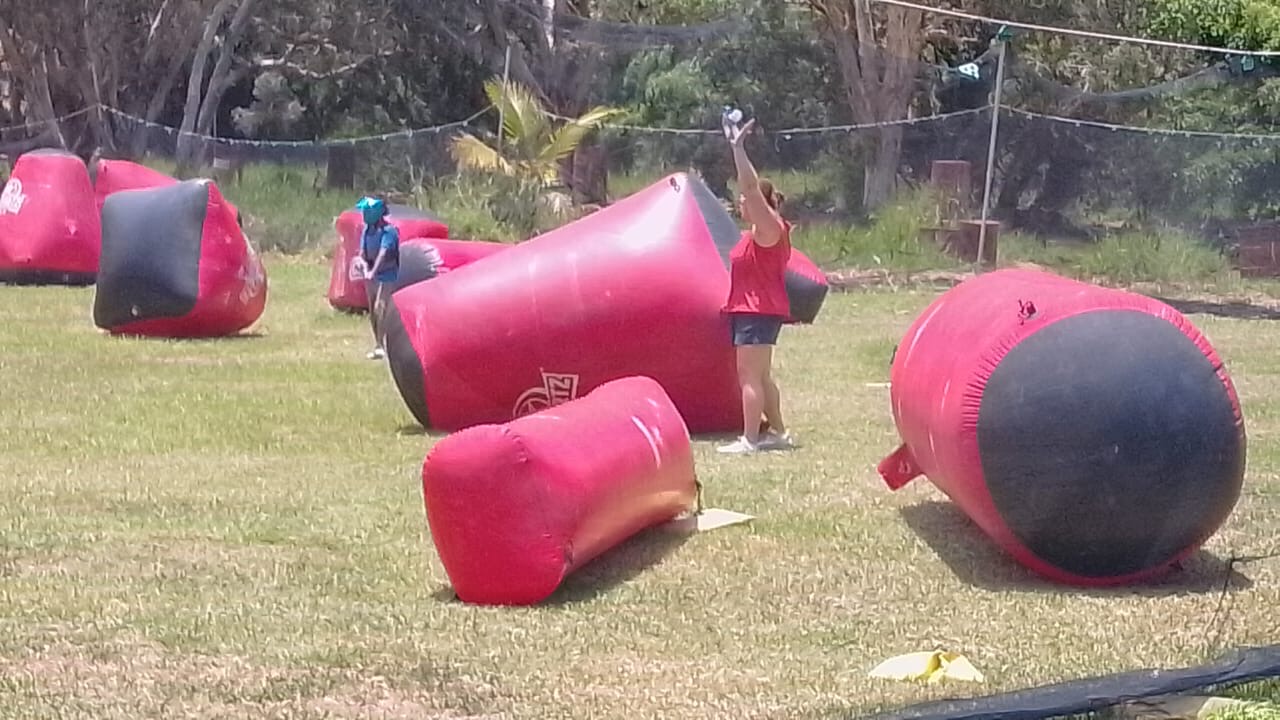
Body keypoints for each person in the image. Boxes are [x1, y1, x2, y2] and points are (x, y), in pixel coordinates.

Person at [718, 118, 795, 455]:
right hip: (755, 310)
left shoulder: (769, 230)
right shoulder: (754, 234)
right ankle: (778, 432)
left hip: (757, 311)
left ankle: (750, 439)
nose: (740, 203)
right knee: (761, 376)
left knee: (748, 375)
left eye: (744, 200)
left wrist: (738, 149)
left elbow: (750, 187)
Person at [357, 196, 400, 360]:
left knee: (379, 307)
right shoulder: (367, 231)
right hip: (371, 272)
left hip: (387, 273)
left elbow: (383, 253)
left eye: (368, 211)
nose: (365, 215)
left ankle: (383, 345)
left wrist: (372, 272)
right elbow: (362, 252)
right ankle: (377, 344)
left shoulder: (389, 231)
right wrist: (363, 265)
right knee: (372, 310)